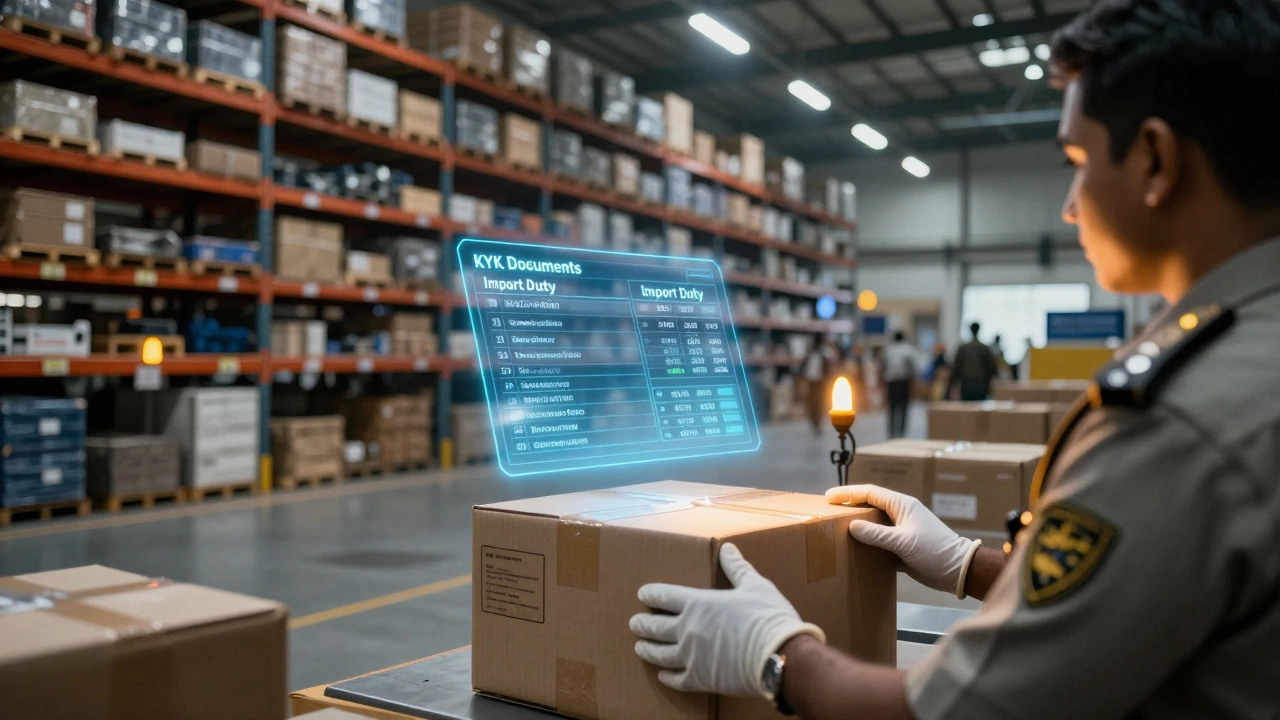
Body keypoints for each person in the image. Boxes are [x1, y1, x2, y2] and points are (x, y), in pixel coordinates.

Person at [630, 1, 1280, 717]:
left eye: (1077, 161)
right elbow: (1150, 596)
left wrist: (780, 657)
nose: (1069, 205)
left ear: (1155, 160)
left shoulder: (1178, 426)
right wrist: (970, 564)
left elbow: (958, 710)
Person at [947, 322, 998, 400]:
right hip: (981, 384)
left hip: (966, 383)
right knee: (979, 409)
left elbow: (957, 366)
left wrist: (953, 383)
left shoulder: (963, 348)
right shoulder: (984, 348)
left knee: (967, 409)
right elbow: (992, 366)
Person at [881, 331, 917, 438]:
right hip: (903, 382)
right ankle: (901, 431)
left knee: (892, 407)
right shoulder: (908, 350)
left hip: (891, 382)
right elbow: (913, 368)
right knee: (904, 408)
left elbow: (883, 366)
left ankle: (891, 431)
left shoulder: (888, 350)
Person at [800, 336, 831, 436]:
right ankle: (814, 423)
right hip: (812, 382)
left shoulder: (821, 355)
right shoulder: (811, 355)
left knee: (818, 404)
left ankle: (817, 423)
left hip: (819, 382)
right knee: (812, 404)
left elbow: (827, 369)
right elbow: (803, 368)